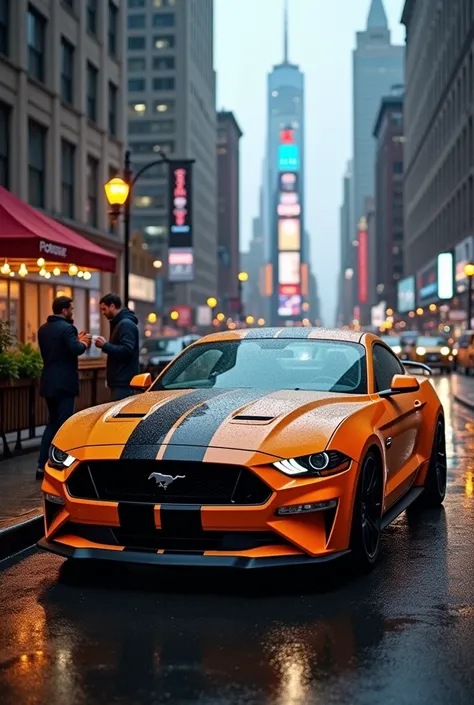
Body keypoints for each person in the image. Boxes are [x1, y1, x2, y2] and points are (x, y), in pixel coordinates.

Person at [37, 296, 91, 479]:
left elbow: (59, 349)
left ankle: (41, 465)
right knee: (65, 425)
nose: (72, 312)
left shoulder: (43, 329)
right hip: (65, 383)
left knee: (51, 423)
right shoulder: (68, 328)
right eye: (71, 309)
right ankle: (61, 465)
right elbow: (75, 349)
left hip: (48, 381)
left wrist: (75, 340)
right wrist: (83, 342)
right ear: (64, 311)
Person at [95, 293, 139, 401]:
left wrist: (105, 345)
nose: (103, 313)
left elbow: (127, 350)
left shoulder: (125, 324)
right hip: (121, 380)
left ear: (112, 306)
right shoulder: (120, 323)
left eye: (104, 309)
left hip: (123, 381)